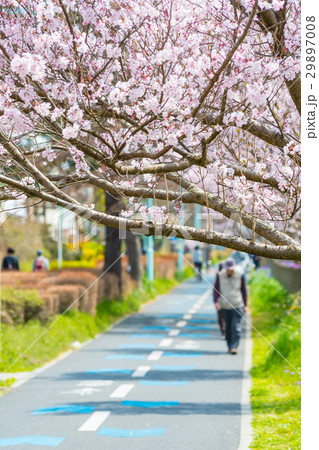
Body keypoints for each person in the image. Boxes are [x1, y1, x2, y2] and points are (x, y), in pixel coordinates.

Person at [213, 258, 247, 354]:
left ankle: (234, 347)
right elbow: (216, 289)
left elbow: (243, 290)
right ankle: (229, 346)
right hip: (224, 305)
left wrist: (245, 304)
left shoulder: (240, 276)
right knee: (227, 327)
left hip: (237, 304)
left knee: (235, 327)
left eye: (231, 269)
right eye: (228, 269)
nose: (229, 271)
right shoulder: (220, 276)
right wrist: (216, 302)